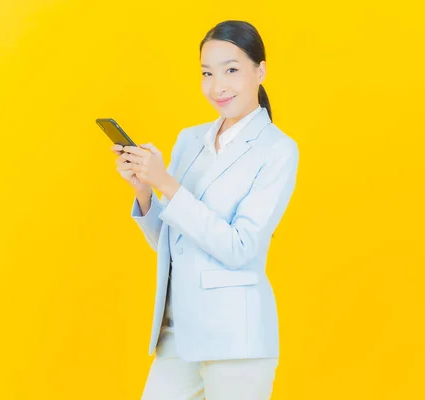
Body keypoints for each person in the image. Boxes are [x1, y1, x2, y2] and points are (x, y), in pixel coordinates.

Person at [111, 20, 299, 400]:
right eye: (207, 73)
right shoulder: (189, 139)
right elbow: (174, 245)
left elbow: (240, 247)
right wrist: (146, 191)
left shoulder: (278, 150)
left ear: (260, 70)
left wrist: (166, 183)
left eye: (231, 70)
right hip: (178, 333)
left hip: (237, 339)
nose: (218, 86)